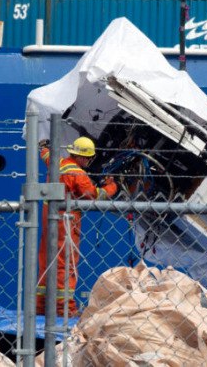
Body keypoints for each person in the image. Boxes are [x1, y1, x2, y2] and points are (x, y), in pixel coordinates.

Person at [36, 136, 118, 317]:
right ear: (81, 157)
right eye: (88, 158)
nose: (89, 161)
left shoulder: (57, 162)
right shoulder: (78, 174)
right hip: (65, 222)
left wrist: (43, 146)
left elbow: (45, 154)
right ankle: (65, 309)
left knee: (46, 263)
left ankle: (40, 308)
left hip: (48, 217)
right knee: (66, 265)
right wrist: (112, 186)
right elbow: (95, 196)